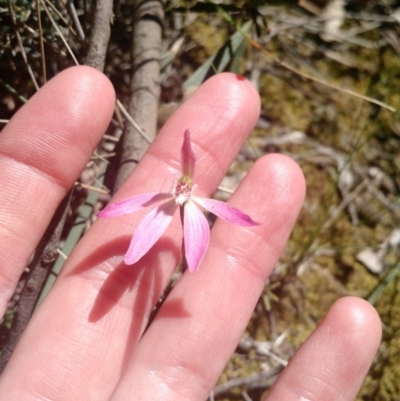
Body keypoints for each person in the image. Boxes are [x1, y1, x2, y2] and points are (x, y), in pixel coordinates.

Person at [0, 66, 381, 400]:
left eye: (187, 181)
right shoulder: (167, 199)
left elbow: (223, 222)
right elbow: (125, 212)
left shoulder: (199, 208)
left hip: (193, 213)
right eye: (183, 180)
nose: (184, 184)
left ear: (190, 182)